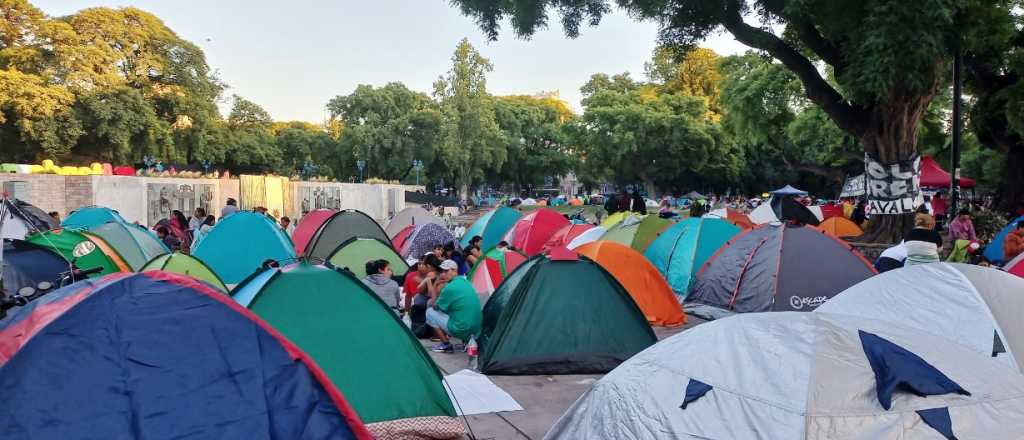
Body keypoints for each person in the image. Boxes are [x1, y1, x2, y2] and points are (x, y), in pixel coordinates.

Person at [427, 259, 482, 353]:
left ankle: (445, 344)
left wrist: (435, 285)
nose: (443, 274)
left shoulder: (449, 287)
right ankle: (466, 342)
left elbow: (435, 306)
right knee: (455, 309)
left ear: (454, 270)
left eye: (446, 271)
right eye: (442, 271)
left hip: (462, 329)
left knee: (430, 312)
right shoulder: (466, 281)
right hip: (476, 330)